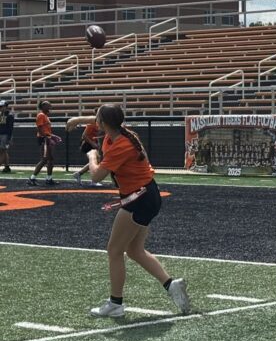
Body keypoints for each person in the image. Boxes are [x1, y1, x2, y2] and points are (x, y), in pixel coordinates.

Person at [71, 104, 191, 317]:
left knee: (114, 250)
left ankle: (115, 304)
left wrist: (91, 156)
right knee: (134, 250)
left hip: (138, 198)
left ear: (103, 123)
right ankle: (171, 285)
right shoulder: (119, 131)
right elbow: (98, 120)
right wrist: (77, 120)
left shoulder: (121, 144)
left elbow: (97, 176)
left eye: (97, 119)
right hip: (145, 195)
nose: (94, 121)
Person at [66, 115, 103, 186]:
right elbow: (84, 135)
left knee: (97, 160)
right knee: (96, 160)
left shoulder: (102, 124)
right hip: (88, 144)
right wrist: (93, 143)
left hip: (94, 143)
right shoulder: (92, 124)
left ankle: (79, 173)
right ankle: (93, 180)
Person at [29, 100, 57, 186]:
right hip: (44, 139)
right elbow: (39, 129)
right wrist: (46, 137)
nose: (50, 106)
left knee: (50, 159)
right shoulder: (41, 115)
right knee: (45, 159)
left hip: (47, 138)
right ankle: (32, 178)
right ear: (43, 106)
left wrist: (53, 136)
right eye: (48, 105)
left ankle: (49, 178)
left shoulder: (45, 116)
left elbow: (46, 130)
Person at [0, 99, 14, 173]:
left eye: (2, 106)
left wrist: (9, 138)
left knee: (2, 151)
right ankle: (7, 167)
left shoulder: (9, 115)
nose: (1, 108)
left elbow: (10, 128)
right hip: (1, 135)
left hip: (5, 135)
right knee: (4, 151)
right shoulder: (1, 115)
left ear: (6, 107)